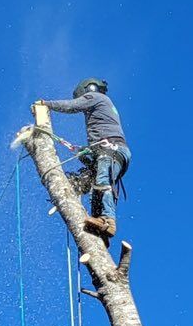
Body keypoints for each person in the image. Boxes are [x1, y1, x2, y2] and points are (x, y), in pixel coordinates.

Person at [40, 79, 130, 238]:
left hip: (110, 149)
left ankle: (108, 220)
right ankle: (100, 230)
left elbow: (72, 106)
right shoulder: (105, 105)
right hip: (111, 150)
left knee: (102, 181)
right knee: (94, 183)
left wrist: (46, 104)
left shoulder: (95, 97)